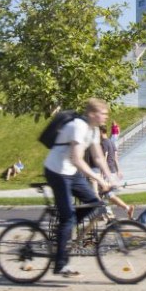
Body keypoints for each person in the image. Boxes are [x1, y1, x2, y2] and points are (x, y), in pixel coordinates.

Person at [44, 98, 114, 277]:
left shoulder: (94, 129)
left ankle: (67, 227)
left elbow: (98, 157)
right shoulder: (78, 126)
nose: (106, 116)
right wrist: (99, 178)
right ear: (92, 114)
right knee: (67, 218)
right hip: (57, 171)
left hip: (71, 172)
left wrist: (110, 176)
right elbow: (77, 158)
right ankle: (60, 264)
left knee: (94, 203)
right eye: (102, 113)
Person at [97, 125, 134, 219]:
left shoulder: (104, 143)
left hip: (106, 172)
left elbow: (104, 158)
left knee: (108, 194)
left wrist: (101, 173)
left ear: (101, 131)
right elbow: (116, 158)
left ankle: (126, 208)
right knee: (102, 194)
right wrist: (118, 170)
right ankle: (105, 213)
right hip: (112, 171)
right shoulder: (111, 142)